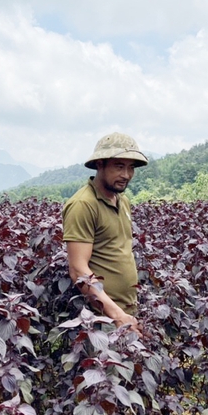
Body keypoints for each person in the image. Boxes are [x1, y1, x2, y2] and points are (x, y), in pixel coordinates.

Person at [62, 132, 148, 334]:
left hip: (128, 312)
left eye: (131, 167)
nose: (126, 175)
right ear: (100, 164)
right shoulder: (83, 204)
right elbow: (78, 270)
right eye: (119, 166)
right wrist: (116, 315)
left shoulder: (122, 200)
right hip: (103, 319)